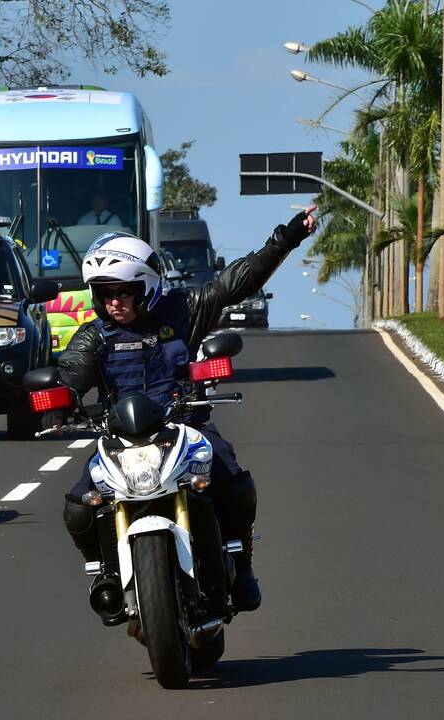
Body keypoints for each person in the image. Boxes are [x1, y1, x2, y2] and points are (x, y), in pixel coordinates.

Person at [49, 207, 317, 612]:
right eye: (105, 293)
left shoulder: (185, 310)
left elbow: (237, 281)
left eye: (123, 291)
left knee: (233, 480)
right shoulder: (94, 337)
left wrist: (288, 237)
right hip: (121, 441)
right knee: (77, 507)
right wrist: (59, 396)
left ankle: (241, 565)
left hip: (184, 429)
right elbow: (70, 372)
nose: (115, 301)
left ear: (147, 285)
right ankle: (104, 570)